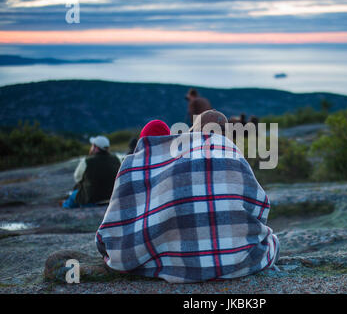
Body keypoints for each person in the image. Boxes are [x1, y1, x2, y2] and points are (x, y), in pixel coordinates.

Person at [96, 116, 279, 283]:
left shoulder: (139, 164)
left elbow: (112, 227)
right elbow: (259, 209)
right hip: (239, 263)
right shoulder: (230, 152)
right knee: (272, 239)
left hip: (170, 265)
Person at [62, 136, 121, 209]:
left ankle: (65, 207)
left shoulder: (86, 161)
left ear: (95, 148)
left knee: (72, 197)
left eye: (92, 145)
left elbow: (77, 178)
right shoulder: (116, 159)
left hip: (92, 199)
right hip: (112, 198)